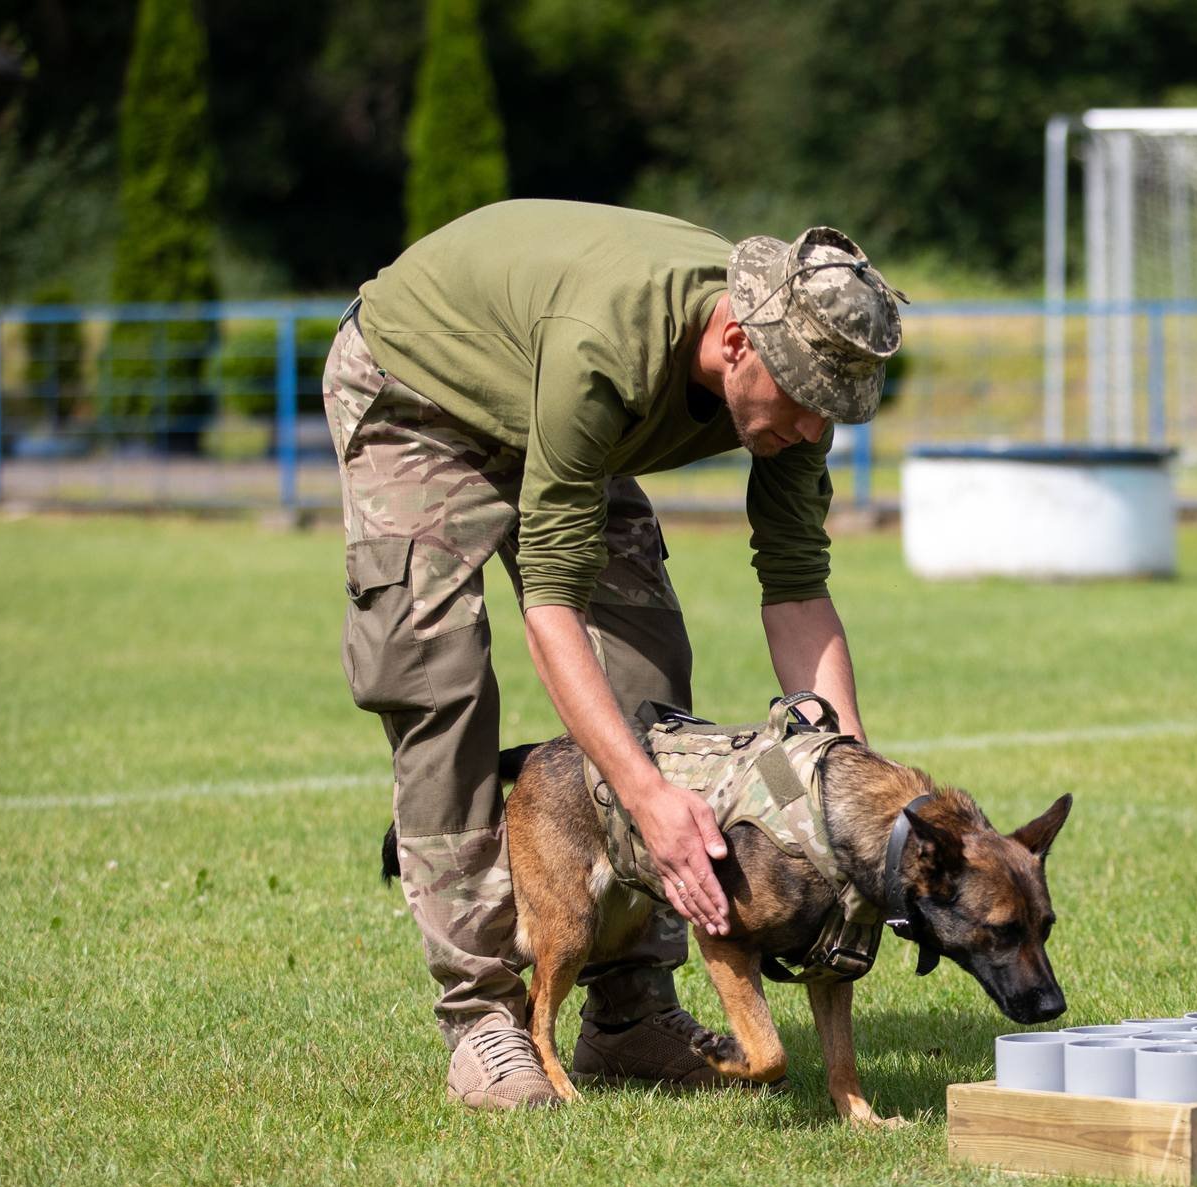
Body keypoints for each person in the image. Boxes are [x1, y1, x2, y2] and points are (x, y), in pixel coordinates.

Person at [320, 200, 903, 1109]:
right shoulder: (608, 348)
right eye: (803, 409)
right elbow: (548, 608)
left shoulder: (799, 387)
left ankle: (630, 1013)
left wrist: (841, 794)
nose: (814, 435)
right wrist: (644, 801)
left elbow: (795, 583)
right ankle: (483, 1020)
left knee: (647, 676)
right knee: (436, 677)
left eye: (834, 417)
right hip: (419, 386)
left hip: (550, 405)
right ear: (738, 342)